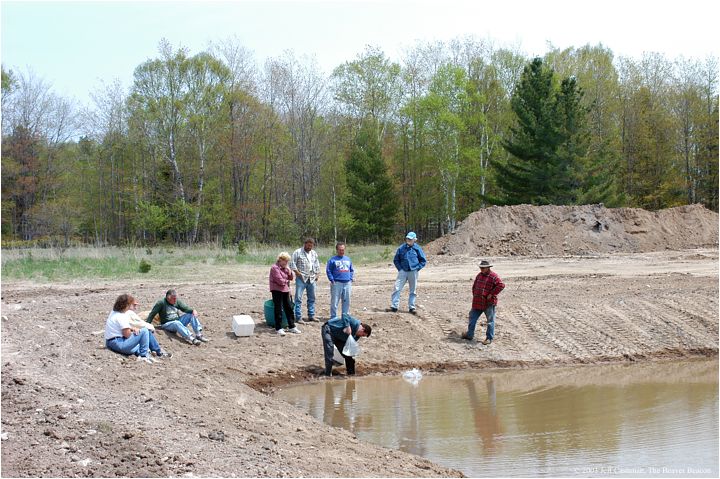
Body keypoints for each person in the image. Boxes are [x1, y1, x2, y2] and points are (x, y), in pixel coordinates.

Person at [462, 260, 505, 345]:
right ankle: (469, 335)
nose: (481, 269)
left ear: (488, 268)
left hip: (488, 303)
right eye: (480, 267)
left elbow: (501, 285)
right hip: (477, 302)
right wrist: (475, 294)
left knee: (490, 321)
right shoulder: (479, 275)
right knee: (472, 318)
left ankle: (489, 338)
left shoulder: (493, 276)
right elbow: (474, 286)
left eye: (483, 268)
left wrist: (491, 294)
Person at [105, 294, 157, 364]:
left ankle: (146, 354)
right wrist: (134, 331)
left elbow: (121, 328)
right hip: (118, 343)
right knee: (144, 331)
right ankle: (143, 356)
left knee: (138, 347)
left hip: (109, 342)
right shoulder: (122, 316)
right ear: (127, 305)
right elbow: (127, 335)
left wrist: (132, 329)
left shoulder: (113, 312)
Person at [388, 231, 427, 314]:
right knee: (397, 287)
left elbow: (423, 260)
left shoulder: (417, 249)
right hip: (403, 272)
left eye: (410, 239)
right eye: (407, 238)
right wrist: (400, 269)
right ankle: (394, 306)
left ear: (414, 240)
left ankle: (411, 307)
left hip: (413, 272)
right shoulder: (401, 248)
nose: (408, 240)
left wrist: (417, 268)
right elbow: (396, 260)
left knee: (413, 290)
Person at [269, 252, 301, 336]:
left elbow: (291, 277)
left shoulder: (286, 268)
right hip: (276, 290)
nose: (286, 263)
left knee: (289, 308)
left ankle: (292, 326)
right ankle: (278, 328)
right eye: (285, 261)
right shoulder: (274, 268)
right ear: (280, 260)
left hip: (285, 290)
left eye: (287, 261)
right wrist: (287, 280)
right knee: (278, 309)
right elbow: (280, 281)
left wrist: (290, 272)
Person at [290, 238, 320, 323]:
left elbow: (316, 264)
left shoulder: (314, 253)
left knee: (312, 298)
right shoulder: (297, 252)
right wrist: (297, 273)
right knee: (298, 298)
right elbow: (292, 263)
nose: (310, 247)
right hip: (301, 278)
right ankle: (298, 316)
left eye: (311, 246)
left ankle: (311, 315)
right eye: (308, 245)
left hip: (312, 278)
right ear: (305, 244)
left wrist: (317, 274)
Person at [326, 242, 354, 319]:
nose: (342, 251)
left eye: (343, 250)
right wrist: (331, 279)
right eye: (340, 250)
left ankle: (345, 316)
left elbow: (351, 270)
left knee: (346, 301)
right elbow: (328, 270)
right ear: (337, 250)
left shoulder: (348, 259)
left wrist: (350, 278)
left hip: (347, 283)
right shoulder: (332, 260)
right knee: (335, 301)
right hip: (336, 283)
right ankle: (333, 316)